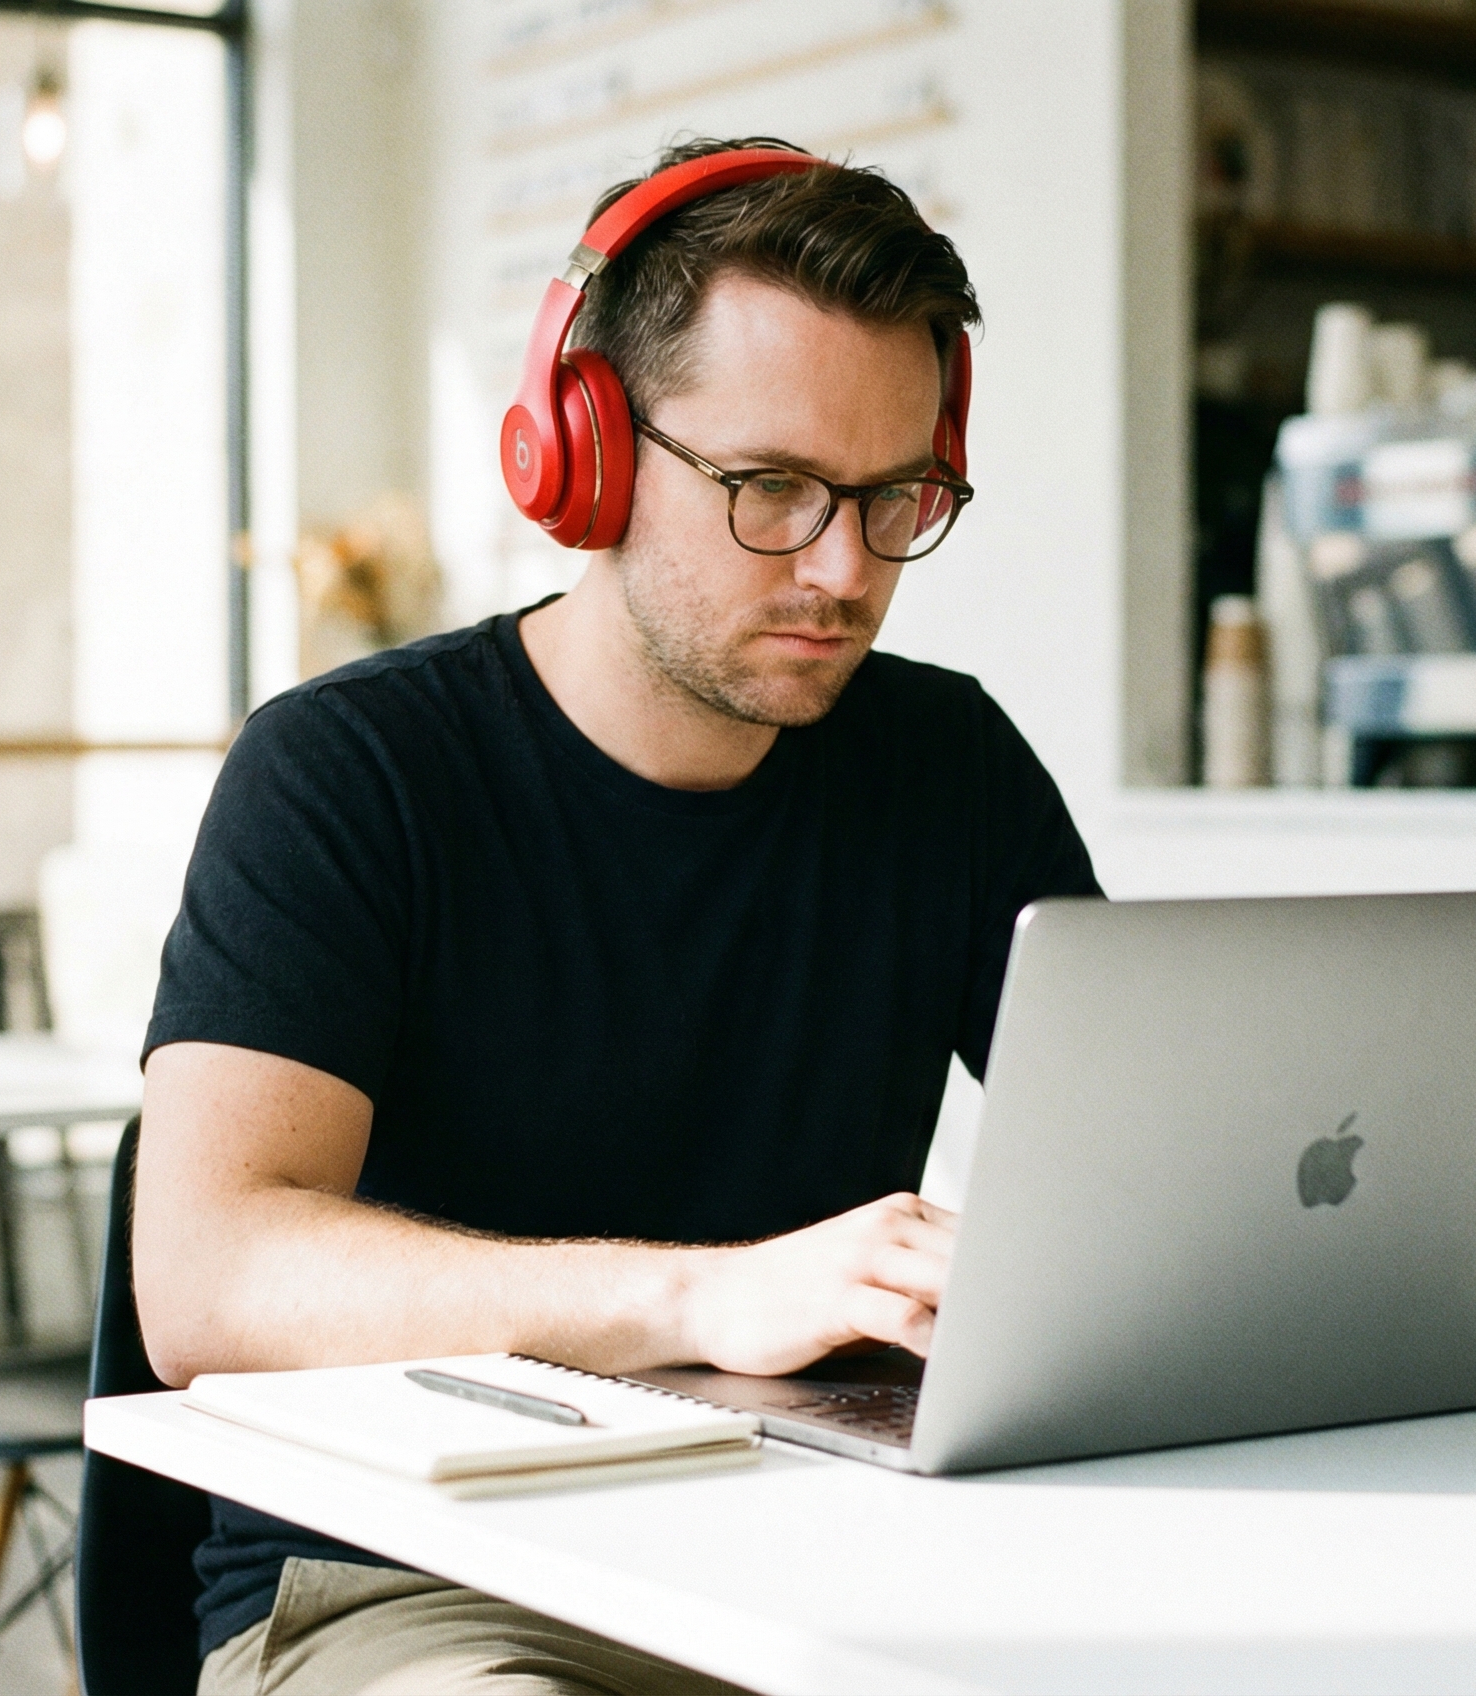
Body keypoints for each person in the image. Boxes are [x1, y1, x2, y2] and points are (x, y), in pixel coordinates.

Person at [135, 135, 1102, 1695]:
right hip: (419, 1586)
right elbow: (208, 1277)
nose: (844, 570)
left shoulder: (948, 764)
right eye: (772, 488)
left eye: (895, 495)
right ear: (582, 453)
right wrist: (701, 1293)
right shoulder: (349, 770)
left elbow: (1125, 1176)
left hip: (828, 1556)